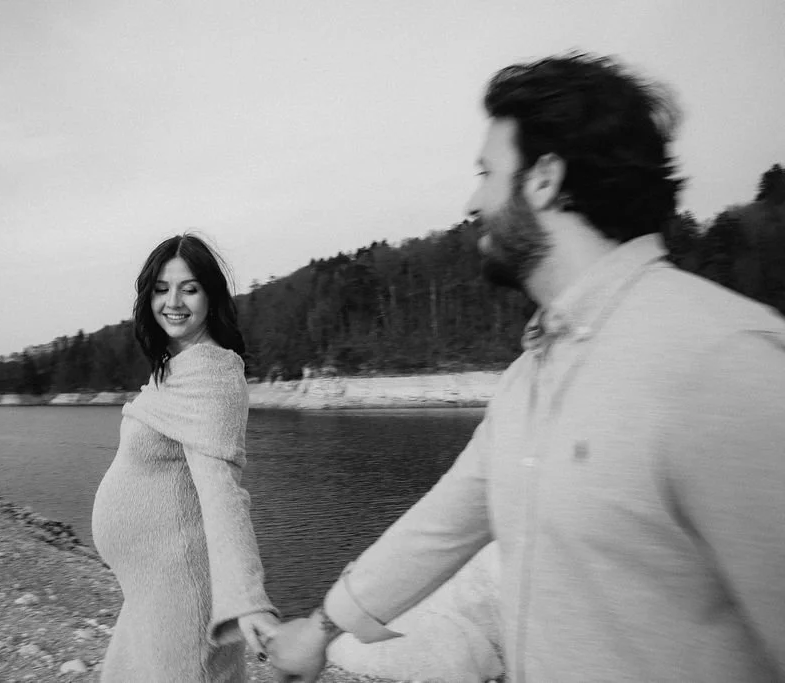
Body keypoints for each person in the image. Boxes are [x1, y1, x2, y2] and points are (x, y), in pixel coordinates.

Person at [265, 52, 785, 683]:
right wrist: (321, 630)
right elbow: (438, 527)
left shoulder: (724, 362)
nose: (474, 198)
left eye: (487, 172)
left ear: (543, 177)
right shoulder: (529, 377)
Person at [92, 233, 280, 682]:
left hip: (180, 590)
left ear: (210, 296)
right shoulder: (177, 367)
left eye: (189, 288)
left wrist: (248, 599)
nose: (172, 301)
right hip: (149, 587)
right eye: (161, 288)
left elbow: (222, 493)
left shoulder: (211, 374)